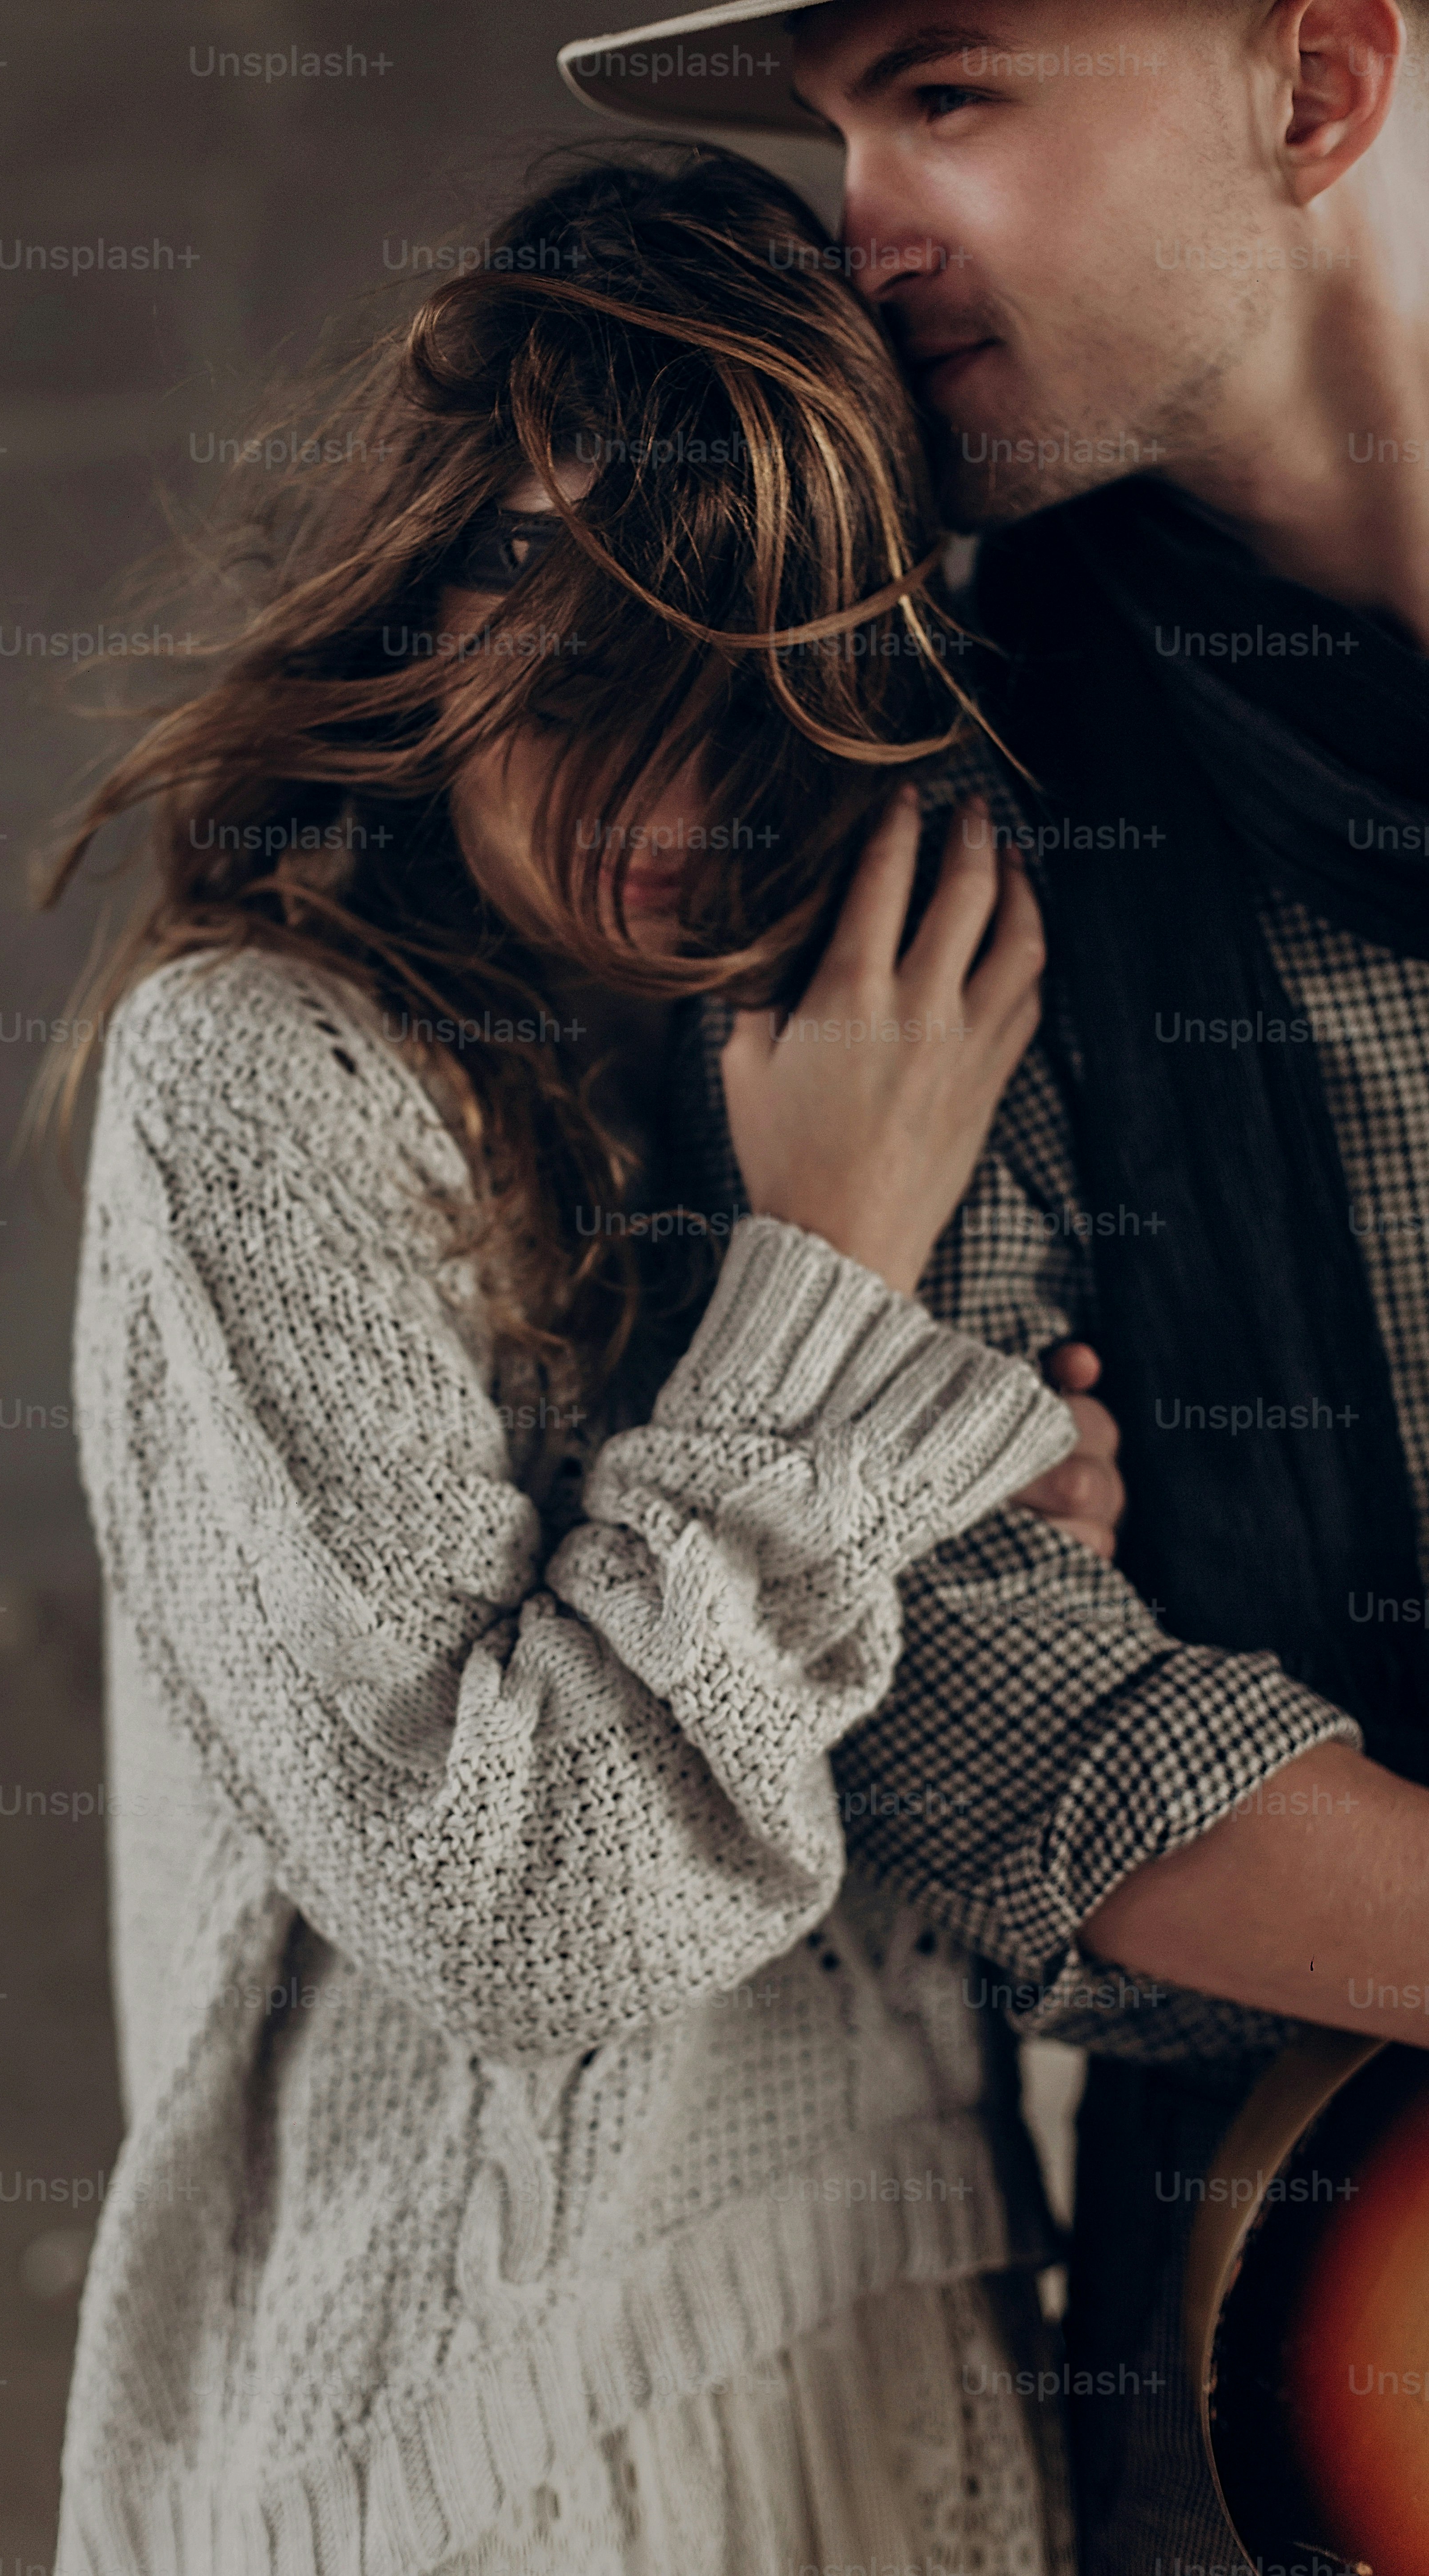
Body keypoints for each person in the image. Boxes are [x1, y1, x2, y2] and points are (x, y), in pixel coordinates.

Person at [38, 149, 1125, 2575]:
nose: (680, 788)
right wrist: (838, 1287)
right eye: (578, 612)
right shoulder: (266, 1077)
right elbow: (535, 1916)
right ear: (435, 577)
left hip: (883, 2343)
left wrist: (975, 1570)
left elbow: (983, 1852)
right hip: (488, 2444)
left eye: (775, 689)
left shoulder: (840, 1022)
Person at [558, 1, 1429, 2565]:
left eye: (946, 93)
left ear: (1317, 87)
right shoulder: (908, 807)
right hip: (1326, 2323)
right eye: (836, 133)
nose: (864, 227)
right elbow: (965, 1698)